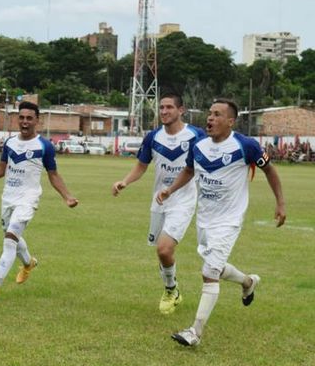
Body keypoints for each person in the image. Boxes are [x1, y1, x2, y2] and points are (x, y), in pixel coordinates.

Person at [156, 98, 286, 346]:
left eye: (217, 115)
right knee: (215, 266)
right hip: (204, 219)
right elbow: (189, 170)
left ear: (230, 121)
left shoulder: (245, 145)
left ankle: (195, 332)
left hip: (229, 220)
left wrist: (280, 203)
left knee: (209, 272)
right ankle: (248, 282)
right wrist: (170, 190)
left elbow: (270, 170)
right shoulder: (199, 146)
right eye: (209, 113)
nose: (210, 119)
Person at [0, 101, 78, 300]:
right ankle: (29, 263)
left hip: (28, 200)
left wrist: (67, 196)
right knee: (12, 235)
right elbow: (1, 169)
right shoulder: (10, 143)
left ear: (37, 120)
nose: (25, 121)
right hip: (8, 198)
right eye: (21, 117)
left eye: (29, 118)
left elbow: (53, 174)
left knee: (10, 239)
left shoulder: (44, 146)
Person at [112, 94, 205, 314]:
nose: (164, 111)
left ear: (181, 110)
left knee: (165, 249)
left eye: (169, 107)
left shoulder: (196, 135)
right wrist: (124, 182)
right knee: (160, 253)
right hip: (159, 201)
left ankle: (171, 291)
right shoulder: (153, 137)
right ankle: (172, 288)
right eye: (161, 107)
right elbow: (141, 166)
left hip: (183, 200)